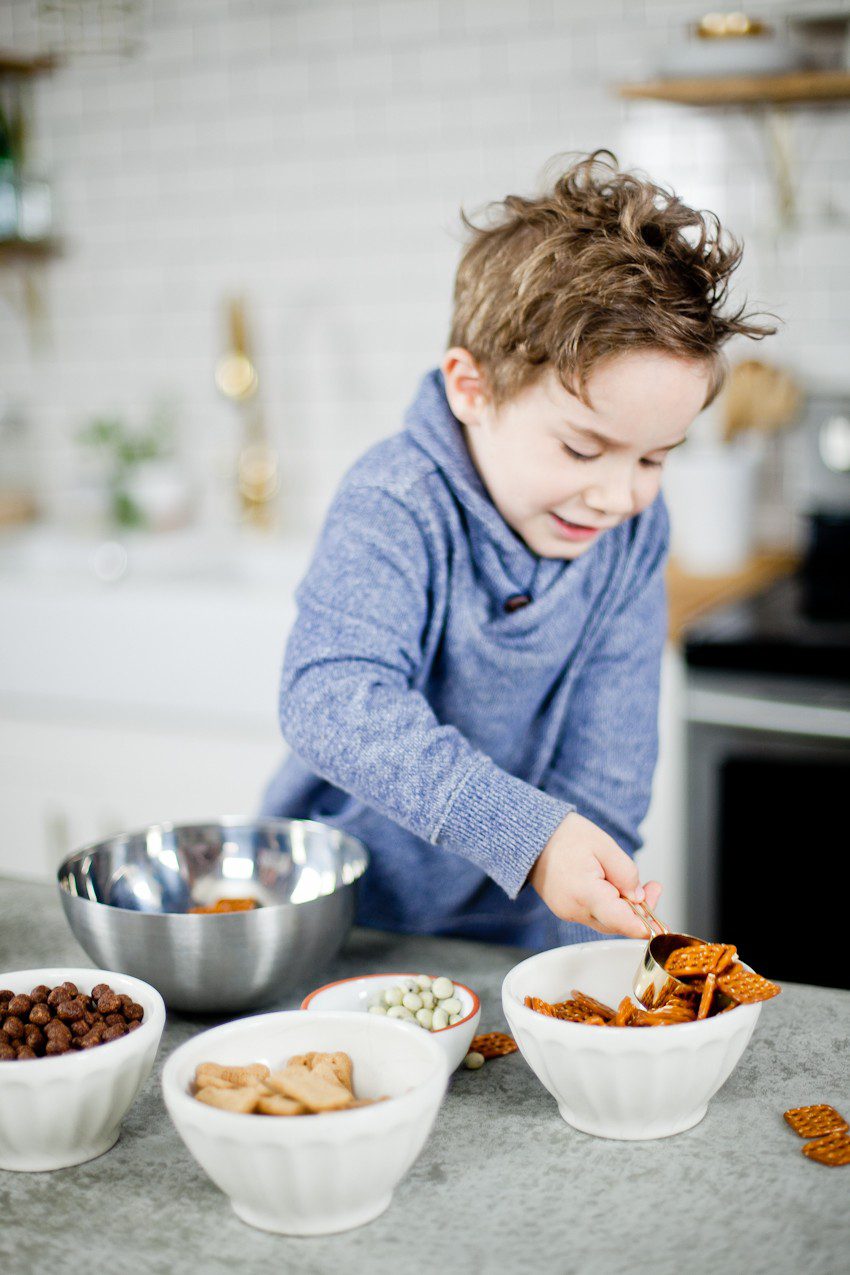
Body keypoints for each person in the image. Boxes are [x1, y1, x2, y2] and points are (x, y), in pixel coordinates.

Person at [261, 150, 773, 949]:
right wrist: (531, 838)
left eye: (653, 456)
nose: (618, 495)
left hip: (517, 936)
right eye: (581, 449)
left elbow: (607, 770)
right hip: (348, 924)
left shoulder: (633, 532)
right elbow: (328, 696)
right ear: (472, 390)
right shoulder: (399, 499)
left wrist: (575, 954)